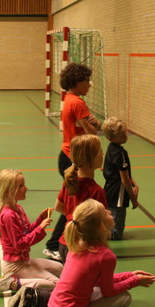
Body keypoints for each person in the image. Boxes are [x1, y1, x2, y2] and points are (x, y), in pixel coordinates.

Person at [49, 199, 155, 307]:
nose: (110, 212)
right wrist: (135, 281)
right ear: (100, 225)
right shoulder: (105, 256)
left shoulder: (77, 245)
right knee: (124, 297)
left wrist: (129, 275)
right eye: (105, 212)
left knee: (96, 290)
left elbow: (98, 280)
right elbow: (109, 291)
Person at [43, 63, 100, 262]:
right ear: (77, 82)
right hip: (73, 158)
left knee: (74, 204)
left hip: (66, 154)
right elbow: (92, 132)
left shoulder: (68, 98)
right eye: (87, 81)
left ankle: (68, 241)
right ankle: (53, 245)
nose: (89, 85)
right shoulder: (78, 103)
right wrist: (96, 125)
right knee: (73, 206)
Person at [0, 169, 62, 297]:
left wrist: (40, 220)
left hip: (23, 260)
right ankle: (13, 283)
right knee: (55, 283)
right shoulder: (8, 215)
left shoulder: (18, 208)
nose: (26, 188)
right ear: (9, 191)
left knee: (60, 268)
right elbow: (19, 244)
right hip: (14, 265)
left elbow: (26, 231)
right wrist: (40, 228)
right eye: (21, 186)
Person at [53, 134, 107, 262]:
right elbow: (102, 223)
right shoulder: (96, 191)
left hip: (65, 243)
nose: (103, 154)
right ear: (91, 158)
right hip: (83, 248)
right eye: (100, 151)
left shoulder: (69, 182)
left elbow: (58, 207)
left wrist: (73, 218)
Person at [101, 117, 139, 240]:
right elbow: (124, 179)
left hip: (109, 189)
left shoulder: (111, 148)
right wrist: (133, 198)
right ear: (111, 138)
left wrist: (134, 184)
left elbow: (124, 174)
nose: (125, 136)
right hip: (118, 193)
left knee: (111, 218)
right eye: (121, 135)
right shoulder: (121, 153)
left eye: (124, 133)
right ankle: (98, 236)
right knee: (116, 233)